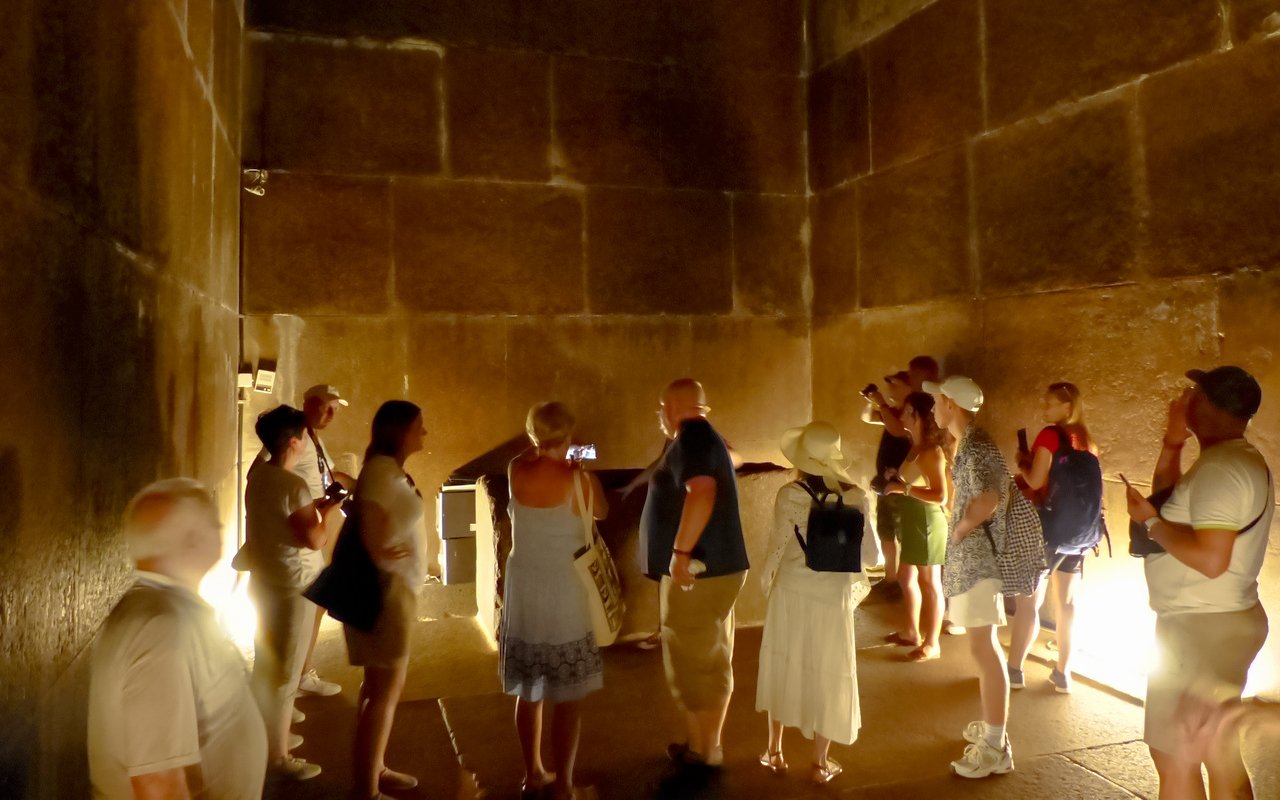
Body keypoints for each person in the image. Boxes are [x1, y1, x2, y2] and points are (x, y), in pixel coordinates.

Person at [1124, 366, 1271, 800]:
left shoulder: (1222, 470)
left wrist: (1148, 522)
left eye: (1191, 392)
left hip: (1201, 629)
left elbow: (1211, 560)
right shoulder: (1225, 462)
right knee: (1214, 750)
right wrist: (1172, 444)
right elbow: (1172, 509)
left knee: (1175, 757)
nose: (1182, 398)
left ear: (1205, 405)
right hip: (1212, 623)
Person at [88, 479, 267, 799]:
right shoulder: (160, 629)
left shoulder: (165, 612)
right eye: (214, 524)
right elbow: (158, 782)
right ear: (191, 540)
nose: (221, 530)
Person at [501, 402, 609, 799]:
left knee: (529, 689)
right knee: (567, 695)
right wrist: (580, 466)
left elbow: (528, 454)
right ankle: (564, 783)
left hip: (525, 586)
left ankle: (533, 773)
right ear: (569, 435)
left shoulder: (516, 470)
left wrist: (547, 448)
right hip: (564, 587)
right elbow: (601, 512)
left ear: (531, 437)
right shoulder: (578, 480)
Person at [639, 378, 749, 767]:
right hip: (712, 571)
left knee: (697, 660)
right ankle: (699, 743)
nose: (659, 417)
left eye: (660, 409)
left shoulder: (692, 439)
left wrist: (680, 553)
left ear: (671, 407)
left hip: (699, 574)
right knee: (702, 657)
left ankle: (707, 750)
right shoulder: (704, 437)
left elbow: (701, 491)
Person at [756, 421, 871, 784]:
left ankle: (775, 751)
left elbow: (777, 547)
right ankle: (821, 763)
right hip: (832, 596)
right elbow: (870, 555)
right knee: (828, 671)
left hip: (792, 591)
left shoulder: (790, 494)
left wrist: (765, 582)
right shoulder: (858, 496)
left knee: (782, 661)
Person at [244, 405, 343, 781]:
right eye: (302, 437)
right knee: (286, 677)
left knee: (265, 666)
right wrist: (329, 510)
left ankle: (265, 738)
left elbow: (284, 519)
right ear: (293, 442)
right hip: (293, 586)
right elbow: (314, 538)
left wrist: (314, 508)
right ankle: (278, 757)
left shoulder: (260, 478)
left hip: (264, 581)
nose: (305, 443)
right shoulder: (294, 485)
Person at [927, 376, 1016, 779]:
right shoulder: (972, 442)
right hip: (973, 561)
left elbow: (991, 496)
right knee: (982, 649)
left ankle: (996, 744)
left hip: (978, 560)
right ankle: (993, 728)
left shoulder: (977, 445)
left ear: (950, 404)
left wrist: (962, 528)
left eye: (936, 402)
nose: (932, 409)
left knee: (984, 649)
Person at [345, 400, 428, 800]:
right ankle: (367, 790)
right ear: (400, 432)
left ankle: (373, 770)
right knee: (384, 693)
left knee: (376, 689)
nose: (424, 434)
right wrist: (383, 555)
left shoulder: (386, 470)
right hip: (387, 594)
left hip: (396, 590)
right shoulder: (380, 471)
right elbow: (370, 522)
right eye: (419, 427)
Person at [1011, 382, 1099, 693]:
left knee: (1028, 603)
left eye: (1049, 403)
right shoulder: (1089, 442)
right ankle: (1063, 673)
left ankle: (1014, 670)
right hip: (1081, 534)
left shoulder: (1049, 435)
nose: (1043, 408)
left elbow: (1035, 481)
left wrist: (1023, 462)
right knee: (1068, 604)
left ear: (1066, 406)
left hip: (1047, 530)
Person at [297, 384, 355, 697]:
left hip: (315, 526)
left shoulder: (315, 440)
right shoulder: (293, 435)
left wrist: (362, 485)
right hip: (302, 532)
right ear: (308, 404)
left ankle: (303, 672)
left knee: (316, 603)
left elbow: (332, 475)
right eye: (326, 407)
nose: (331, 414)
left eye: (335, 408)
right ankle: (295, 677)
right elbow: (265, 472)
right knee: (304, 606)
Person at [881, 392, 948, 661]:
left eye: (908, 411)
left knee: (930, 582)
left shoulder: (932, 452)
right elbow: (911, 482)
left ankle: (933, 643)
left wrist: (904, 488)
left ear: (920, 416)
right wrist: (894, 479)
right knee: (906, 577)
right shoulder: (914, 447)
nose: (903, 415)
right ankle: (911, 631)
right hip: (911, 519)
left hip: (926, 521)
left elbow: (940, 495)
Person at [861, 371, 912, 589]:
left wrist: (880, 403)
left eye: (897, 386)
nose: (892, 391)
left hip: (901, 487)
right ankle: (890, 578)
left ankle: (905, 582)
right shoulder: (891, 411)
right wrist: (869, 403)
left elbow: (898, 429)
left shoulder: (909, 416)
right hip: (884, 486)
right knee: (886, 532)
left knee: (903, 536)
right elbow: (866, 418)